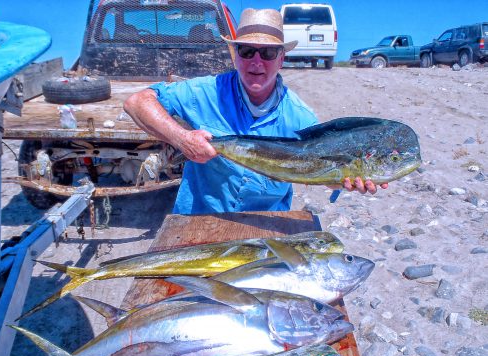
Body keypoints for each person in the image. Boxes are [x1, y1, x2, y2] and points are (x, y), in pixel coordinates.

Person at [124, 8, 387, 215]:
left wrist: (345, 179)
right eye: (247, 51)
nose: (257, 62)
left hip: (264, 227)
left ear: (282, 59)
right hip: (200, 220)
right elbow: (137, 102)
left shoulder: (301, 118)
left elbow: (319, 170)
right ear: (235, 55)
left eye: (268, 53)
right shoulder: (204, 92)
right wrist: (182, 139)